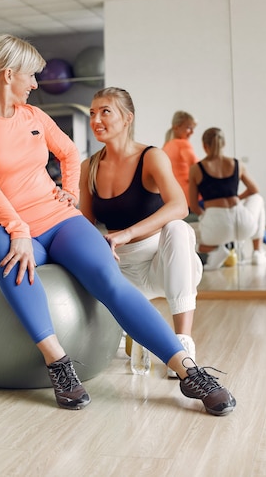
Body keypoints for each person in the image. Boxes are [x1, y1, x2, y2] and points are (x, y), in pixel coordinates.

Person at [0, 34, 236, 417]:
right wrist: (18, 230)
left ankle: (187, 369)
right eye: (31, 76)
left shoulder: (34, 116)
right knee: (6, 252)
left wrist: (68, 191)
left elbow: (69, 152)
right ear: (7, 74)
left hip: (58, 219)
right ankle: (59, 363)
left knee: (109, 278)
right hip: (8, 227)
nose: (36, 84)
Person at [79, 88, 203, 378]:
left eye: (105, 111)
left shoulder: (151, 157)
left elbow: (180, 205)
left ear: (127, 118)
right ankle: (128, 326)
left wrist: (126, 233)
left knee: (178, 227)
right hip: (122, 272)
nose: (96, 119)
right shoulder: (89, 167)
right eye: (92, 113)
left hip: (164, 263)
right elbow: (84, 224)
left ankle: (182, 343)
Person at [164, 111, 266, 256]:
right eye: (188, 127)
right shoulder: (183, 145)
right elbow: (202, 172)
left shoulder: (166, 147)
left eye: (193, 128)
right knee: (239, 212)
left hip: (183, 199)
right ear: (176, 127)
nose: (192, 132)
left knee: (234, 215)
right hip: (197, 200)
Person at [189, 127, 266, 270]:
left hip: (215, 228)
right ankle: (257, 252)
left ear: (204, 145)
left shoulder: (196, 169)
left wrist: (205, 217)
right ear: (224, 144)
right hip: (242, 225)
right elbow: (254, 189)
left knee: (186, 236)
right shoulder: (237, 164)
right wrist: (237, 197)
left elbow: (193, 205)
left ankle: (215, 249)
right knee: (258, 199)